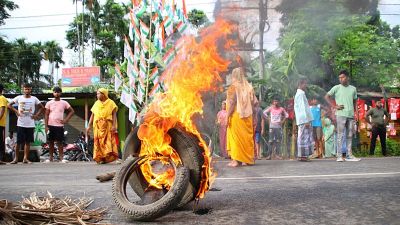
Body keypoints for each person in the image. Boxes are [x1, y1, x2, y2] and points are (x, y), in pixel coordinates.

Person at [325, 70, 360, 162]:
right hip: (340, 114)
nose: (341, 79)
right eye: (339, 78)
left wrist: (356, 113)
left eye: (343, 77)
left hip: (351, 115)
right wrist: (334, 106)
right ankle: (339, 156)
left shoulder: (353, 89)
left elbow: (355, 101)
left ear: (347, 77)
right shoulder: (336, 88)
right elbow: (326, 96)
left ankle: (349, 155)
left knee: (349, 135)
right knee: (340, 135)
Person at [226, 67, 257, 167]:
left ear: (234, 76)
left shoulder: (233, 87)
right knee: (246, 138)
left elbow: (232, 103)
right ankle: (248, 159)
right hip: (248, 116)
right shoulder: (249, 87)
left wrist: (227, 116)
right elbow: (254, 103)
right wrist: (254, 116)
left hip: (236, 116)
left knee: (236, 138)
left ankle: (236, 161)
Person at [8, 83, 44, 164]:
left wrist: (36, 115)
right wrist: (16, 111)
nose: (27, 90)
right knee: (18, 142)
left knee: (28, 142)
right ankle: (15, 159)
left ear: (31, 90)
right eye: (25, 89)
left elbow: (42, 107)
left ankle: (25, 159)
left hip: (30, 124)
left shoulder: (34, 99)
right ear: (23, 89)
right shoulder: (19, 98)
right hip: (21, 123)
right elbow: (9, 105)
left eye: (28, 89)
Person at [86, 88, 119, 164]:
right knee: (98, 142)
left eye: (99, 93)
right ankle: (100, 158)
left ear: (104, 94)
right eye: (97, 94)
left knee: (108, 141)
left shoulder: (111, 103)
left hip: (108, 125)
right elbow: (93, 115)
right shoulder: (96, 103)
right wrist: (89, 126)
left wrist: (114, 125)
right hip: (97, 125)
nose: (97, 95)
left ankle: (107, 158)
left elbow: (114, 115)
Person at [44, 87, 75, 163]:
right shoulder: (49, 103)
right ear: (53, 93)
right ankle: (51, 158)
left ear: (60, 93)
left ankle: (61, 158)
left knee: (60, 142)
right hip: (50, 125)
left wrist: (66, 120)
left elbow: (72, 111)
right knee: (50, 142)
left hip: (59, 126)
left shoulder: (64, 103)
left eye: (58, 92)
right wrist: (46, 126)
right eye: (55, 92)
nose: (56, 93)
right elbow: (46, 115)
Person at [294, 79, 314, 161]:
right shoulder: (301, 94)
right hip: (303, 120)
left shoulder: (299, 93)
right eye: (305, 84)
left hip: (302, 119)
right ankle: (303, 156)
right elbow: (302, 108)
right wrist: (306, 120)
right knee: (304, 137)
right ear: (301, 84)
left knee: (303, 136)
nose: (306, 86)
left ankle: (303, 155)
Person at [0, 84, 8, 164]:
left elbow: (2, 111)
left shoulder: (2, 98)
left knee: (0, 141)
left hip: (0, 123)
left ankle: (1, 159)